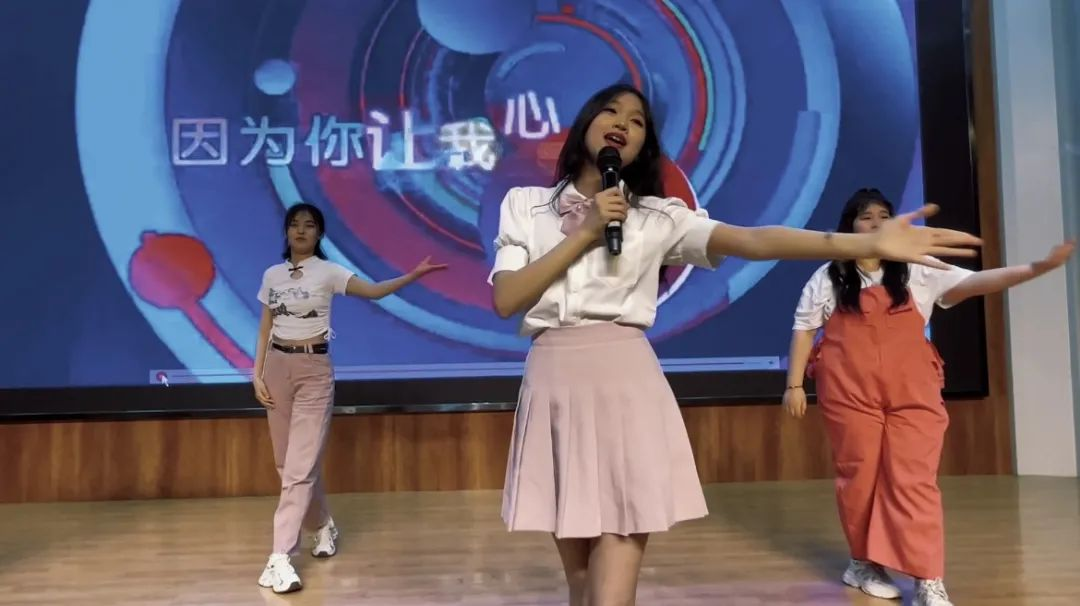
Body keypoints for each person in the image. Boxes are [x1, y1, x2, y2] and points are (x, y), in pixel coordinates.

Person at [487, 84, 983, 606]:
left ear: (643, 147)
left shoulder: (659, 217)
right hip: (553, 384)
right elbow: (507, 298)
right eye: (611, 111)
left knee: (612, 584)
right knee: (581, 585)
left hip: (624, 381)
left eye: (637, 121)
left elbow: (754, 240)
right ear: (586, 123)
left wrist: (866, 242)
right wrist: (586, 232)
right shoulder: (525, 205)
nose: (622, 123)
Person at [781, 188, 1074, 606]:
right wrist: (794, 385)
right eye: (866, 217)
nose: (876, 223)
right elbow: (804, 328)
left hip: (913, 393)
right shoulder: (830, 276)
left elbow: (974, 282)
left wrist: (1034, 268)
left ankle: (928, 578)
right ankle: (863, 563)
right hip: (848, 394)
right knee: (859, 476)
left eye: (884, 215)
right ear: (850, 226)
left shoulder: (918, 269)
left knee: (914, 480)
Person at [252, 202, 447, 594]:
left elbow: (373, 292)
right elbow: (265, 327)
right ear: (286, 231)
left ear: (319, 234)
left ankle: (280, 557)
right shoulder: (272, 275)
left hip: (313, 370)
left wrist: (412, 276)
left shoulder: (329, 272)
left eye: (309, 225)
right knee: (288, 464)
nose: (301, 230)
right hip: (276, 368)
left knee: (300, 468)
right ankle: (322, 524)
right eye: (294, 224)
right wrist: (256, 374)